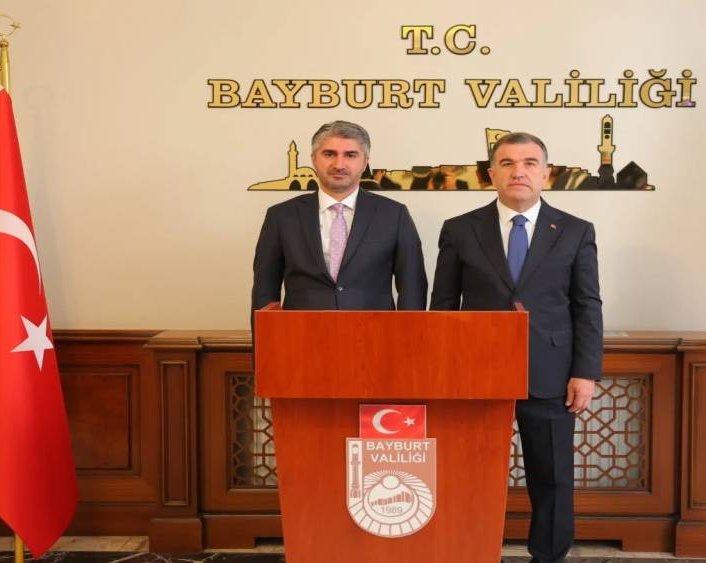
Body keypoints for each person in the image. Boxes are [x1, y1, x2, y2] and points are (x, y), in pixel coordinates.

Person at [430, 132, 603, 563]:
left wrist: (585, 372)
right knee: (468, 473)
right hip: (475, 374)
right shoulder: (460, 229)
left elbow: (587, 305)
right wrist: (443, 371)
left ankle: (549, 555)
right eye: (507, 163)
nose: (518, 171)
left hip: (550, 373)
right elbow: (443, 307)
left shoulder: (575, 231)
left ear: (546, 173)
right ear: (491, 174)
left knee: (552, 476)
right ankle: (467, 551)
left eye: (529, 162)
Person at [252, 121, 427, 312]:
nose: (339, 164)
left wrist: (409, 332)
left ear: (365, 162)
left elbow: (413, 290)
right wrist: (264, 332)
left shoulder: (394, 215)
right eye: (329, 154)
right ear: (314, 159)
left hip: (374, 330)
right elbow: (264, 293)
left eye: (350, 155)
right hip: (301, 330)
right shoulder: (281, 216)